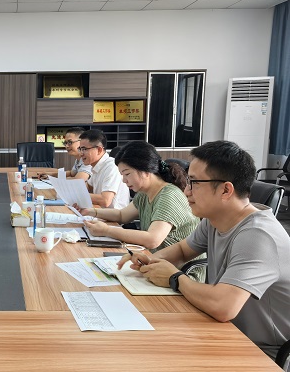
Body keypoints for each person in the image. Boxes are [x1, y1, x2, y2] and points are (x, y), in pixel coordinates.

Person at [118, 140, 290, 362]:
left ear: (226, 190)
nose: (186, 190)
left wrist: (175, 278)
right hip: (224, 330)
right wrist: (149, 260)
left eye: (195, 182)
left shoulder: (258, 236)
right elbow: (182, 250)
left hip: (262, 352)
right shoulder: (214, 220)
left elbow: (223, 306)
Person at [80, 141, 200, 259]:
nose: (124, 180)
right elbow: (122, 215)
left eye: (127, 174)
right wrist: (91, 211)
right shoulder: (145, 193)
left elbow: (153, 240)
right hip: (154, 259)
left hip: (177, 268)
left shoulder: (169, 196)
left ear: (146, 171)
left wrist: (106, 230)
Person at [78, 129, 129, 209]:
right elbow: (88, 187)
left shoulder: (112, 167)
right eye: (80, 149)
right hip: (100, 211)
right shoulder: (97, 166)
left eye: (84, 149)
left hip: (114, 215)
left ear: (99, 150)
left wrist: (78, 195)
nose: (81, 153)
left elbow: (105, 200)